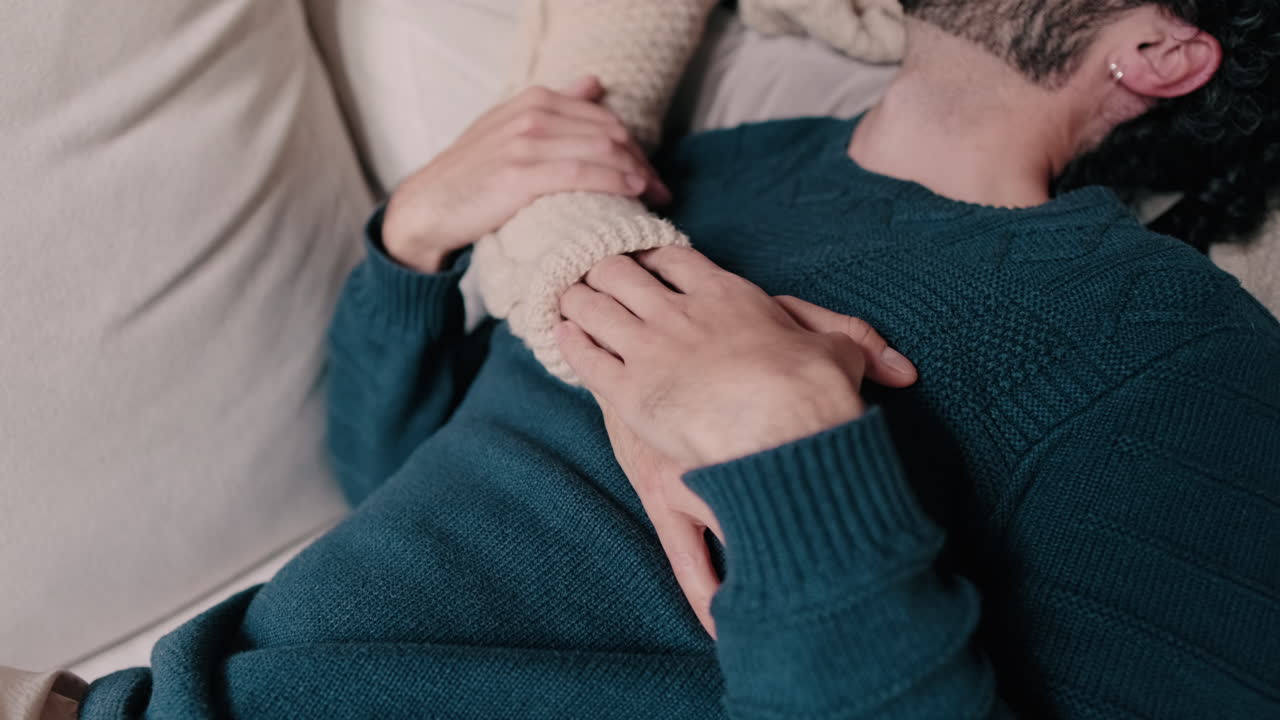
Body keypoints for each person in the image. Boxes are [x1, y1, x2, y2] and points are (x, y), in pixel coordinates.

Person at [69, 1, 1279, 717]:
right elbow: (394, 479)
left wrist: (789, 450)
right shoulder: (708, 164)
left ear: (1160, 53)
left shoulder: (1165, 343)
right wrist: (412, 245)